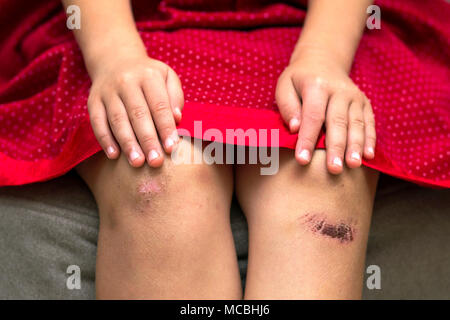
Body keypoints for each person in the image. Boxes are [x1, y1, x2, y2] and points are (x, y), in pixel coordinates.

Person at [0, 0, 449, 299]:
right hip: (126, 22)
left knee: (323, 184)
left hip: (315, 24)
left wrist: (323, 56)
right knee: (162, 177)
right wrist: (113, 54)